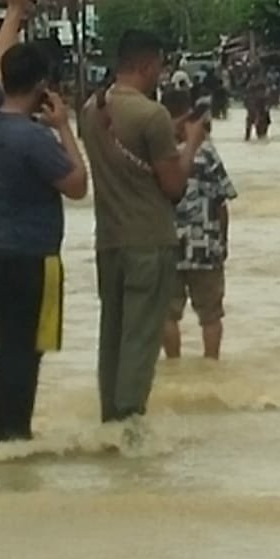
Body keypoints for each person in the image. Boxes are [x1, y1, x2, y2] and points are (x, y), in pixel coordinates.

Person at [0, 0, 89, 444]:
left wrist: (15, 10)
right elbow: (78, 185)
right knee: (28, 351)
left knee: (5, 349)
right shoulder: (37, 140)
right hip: (35, 258)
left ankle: (0, 435)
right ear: (41, 85)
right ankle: (16, 435)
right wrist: (64, 126)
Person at [82, 29, 206, 432]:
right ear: (146, 65)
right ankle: (130, 428)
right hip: (149, 243)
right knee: (140, 342)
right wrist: (191, 144)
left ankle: (110, 423)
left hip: (109, 241)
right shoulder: (150, 116)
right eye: (160, 66)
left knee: (113, 341)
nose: (162, 74)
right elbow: (173, 186)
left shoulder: (90, 110)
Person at [159, 90, 238, 361]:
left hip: (167, 246)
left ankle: (173, 366)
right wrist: (223, 243)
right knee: (211, 315)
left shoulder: (159, 155)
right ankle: (211, 366)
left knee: (166, 314)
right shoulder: (207, 153)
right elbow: (221, 202)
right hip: (205, 247)